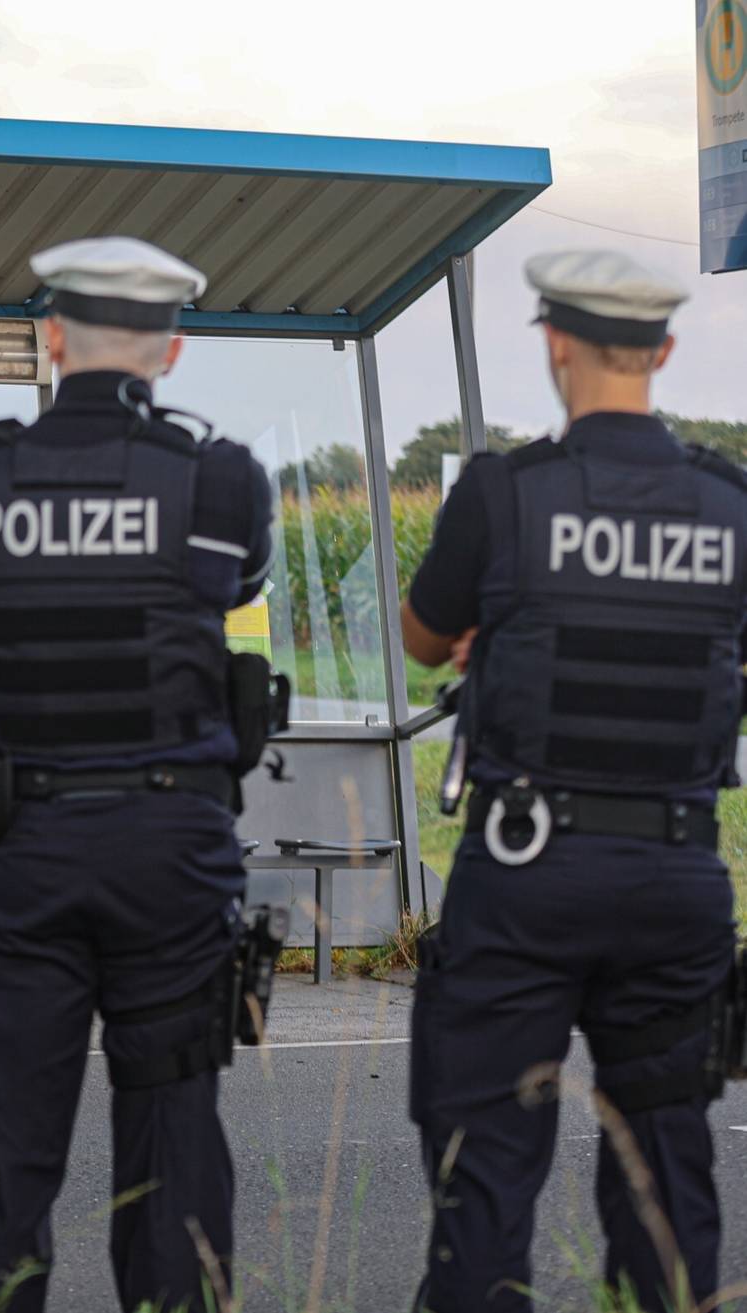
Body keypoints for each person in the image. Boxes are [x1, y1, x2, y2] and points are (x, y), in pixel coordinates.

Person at [0, 235, 273, 1313]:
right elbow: (239, 587)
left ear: (50, 339)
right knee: (177, 1159)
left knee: (1, 1175)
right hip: (174, 862)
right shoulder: (221, 482)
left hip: (26, 858)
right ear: (171, 350)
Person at [402, 250, 741, 1313]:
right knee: (667, 1166)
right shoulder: (731, 505)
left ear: (553, 344)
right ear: (665, 353)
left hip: (524, 872)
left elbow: (424, 638)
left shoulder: (504, 493)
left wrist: (497, 635)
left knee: (486, 1168)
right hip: (677, 872)